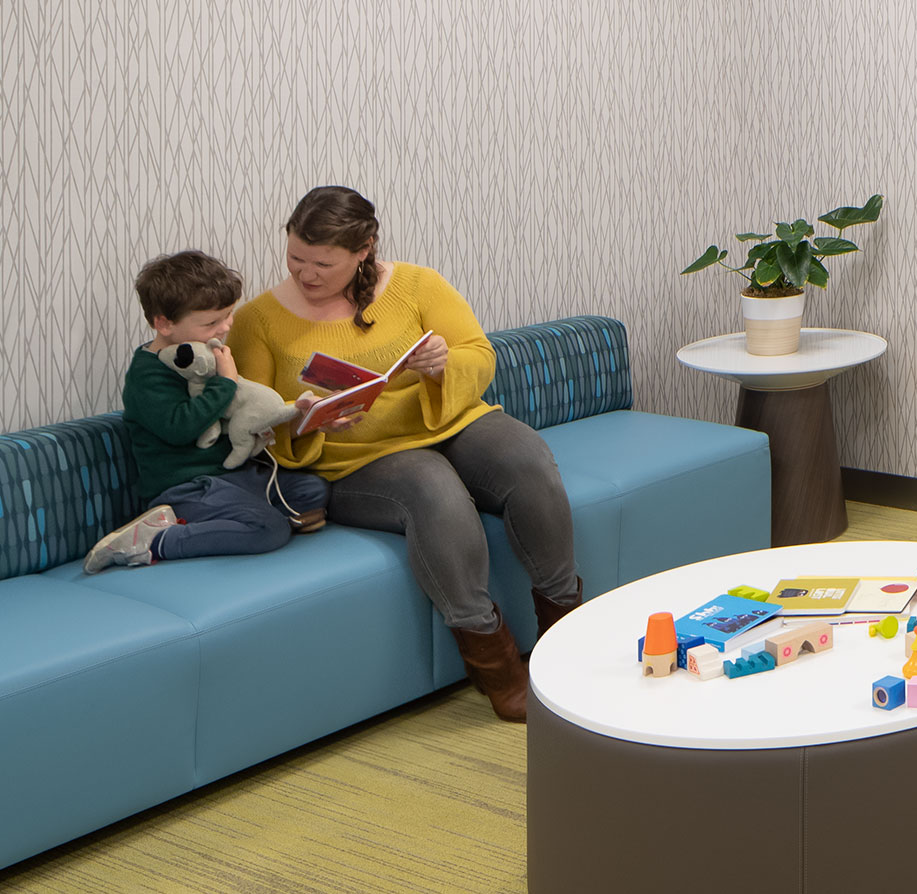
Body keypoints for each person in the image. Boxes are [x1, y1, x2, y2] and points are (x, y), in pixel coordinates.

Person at [227, 186, 582, 724]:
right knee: (432, 486)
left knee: (527, 458)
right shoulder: (259, 319)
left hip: (447, 421)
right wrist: (303, 417)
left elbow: (477, 353)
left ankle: (565, 627)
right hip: (353, 459)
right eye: (296, 258)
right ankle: (495, 661)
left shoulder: (417, 284)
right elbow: (252, 415)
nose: (307, 274)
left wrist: (443, 363)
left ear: (364, 248)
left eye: (324, 263)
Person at [86, 251, 331, 574]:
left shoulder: (207, 354)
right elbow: (181, 427)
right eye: (212, 322)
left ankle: (238, 519)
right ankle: (154, 541)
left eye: (228, 315)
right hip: (186, 485)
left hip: (233, 475)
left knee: (313, 490)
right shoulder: (147, 375)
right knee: (270, 529)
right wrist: (226, 383)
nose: (226, 327)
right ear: (164, 323)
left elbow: (231, 410)